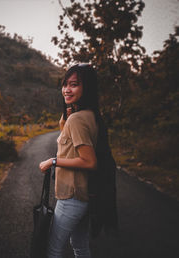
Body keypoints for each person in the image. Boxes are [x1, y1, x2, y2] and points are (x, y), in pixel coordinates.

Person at [39, 63, 117, 258]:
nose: (66, 89)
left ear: (86, 88)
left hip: (71, 197)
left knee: (52, 249)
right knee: (80, 246)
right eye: (65, 84)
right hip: (83, 195)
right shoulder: (89, 115)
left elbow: (89, 162)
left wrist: (53, 161)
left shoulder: (77, 119)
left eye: (74, 85)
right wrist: (66, 117)